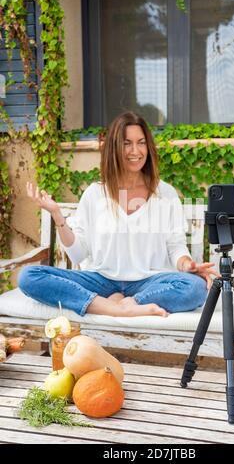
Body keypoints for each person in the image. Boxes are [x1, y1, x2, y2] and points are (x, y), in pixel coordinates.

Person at [18, 111, 218, 318]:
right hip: (101, 281)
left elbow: (176, 246)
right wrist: (57, 216)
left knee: (196, 287)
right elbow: (78, 254)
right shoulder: (95, 194)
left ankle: (130, 303)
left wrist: (188, 264)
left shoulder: (164, 193)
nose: (135, 151)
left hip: (149, 282)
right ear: (114, 148)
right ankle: (114, 308)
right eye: (126, 143)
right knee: (29, 277)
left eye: (141, 143)